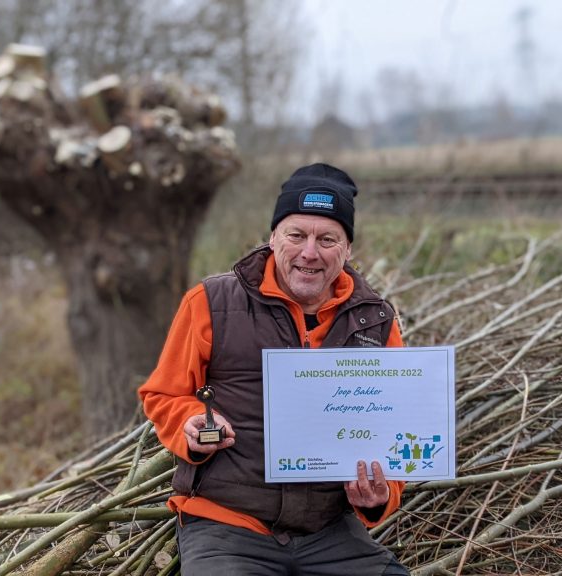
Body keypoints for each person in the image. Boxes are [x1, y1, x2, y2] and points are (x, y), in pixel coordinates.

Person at [138, 163, 409, 575]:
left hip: (329, 531)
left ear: (348, 249)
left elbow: (395, 430)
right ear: (273, 238)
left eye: (327, 239)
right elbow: (163, 395)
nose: (309, 252)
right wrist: (192, 424)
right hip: (226, 525)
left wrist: (380, 495)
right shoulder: (210, 302)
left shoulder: (376, 322)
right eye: (296, 235)